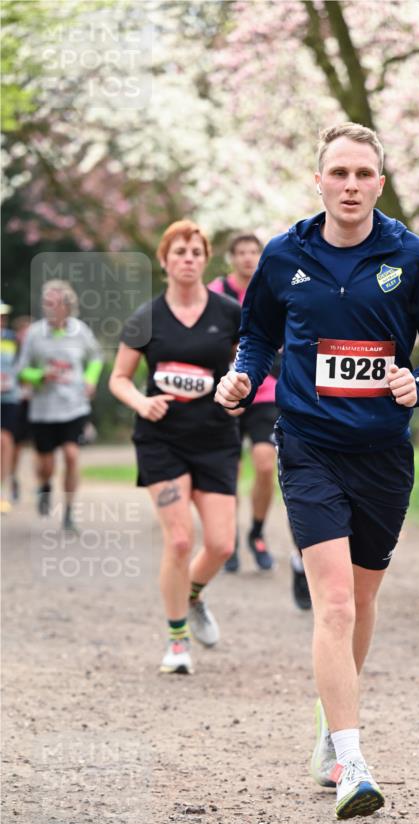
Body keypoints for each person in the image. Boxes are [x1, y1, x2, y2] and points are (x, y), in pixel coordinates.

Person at [215, 123, 419, 819]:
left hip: (383, 454)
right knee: (333, 603)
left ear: (380, 183)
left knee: (361, 599)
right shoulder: (282, 255)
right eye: (339, 173)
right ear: (318, 179)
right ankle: (352, 763)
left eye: (363, 173)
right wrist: (242, 376)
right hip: (308, 447)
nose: (350, 185)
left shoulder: (410, 258)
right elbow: (257, 334)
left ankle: (331, 720)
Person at [109, 220, 241, 676]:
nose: (188, 258)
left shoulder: (228, 314)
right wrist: (142, 403)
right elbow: (118, 379)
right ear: (164, 260)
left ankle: (192, 595)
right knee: (181, 538)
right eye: (179, 251)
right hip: (162, 440)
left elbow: (248, 369)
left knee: (222, 544)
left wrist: (238, 395)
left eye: (196, 252)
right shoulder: (146, 318)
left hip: (216, 439)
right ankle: (177, 639)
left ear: (206, 260)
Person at [210, 234, 311, 609]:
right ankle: (230, 537)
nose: (249, 258)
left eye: (254, 252)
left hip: (267, 393)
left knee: (267, 466)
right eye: (242, 253)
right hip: (228, 393)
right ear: (231, 258)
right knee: (230, 471)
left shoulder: (278, 283)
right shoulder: (217, 293)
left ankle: (255, 530)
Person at [16, 282, 103, 531]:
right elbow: (21, 370)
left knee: (72, 455)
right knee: (46, 464)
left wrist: (90, 378)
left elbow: (95, 357)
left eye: (55, 304)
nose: (50, 309)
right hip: (44, 409)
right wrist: (40, 376)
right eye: (47, 304)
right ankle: (45, 485)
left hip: (74, 406)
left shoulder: (80, 331)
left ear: (67, 306)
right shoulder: (34, 333)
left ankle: (69, 511)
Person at [9, 315, 34, 502]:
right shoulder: (10, 353)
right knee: (14, 445)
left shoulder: (38, 354)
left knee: (41, 446)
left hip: (37, 404)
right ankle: (12, 478)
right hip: (16, 403)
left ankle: (42, 481)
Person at [0, 301, 20, 513]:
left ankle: (2, 491)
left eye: (3, 316)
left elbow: (20, 366)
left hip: (9, 398)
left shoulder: (12, 339)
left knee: (4, 441)